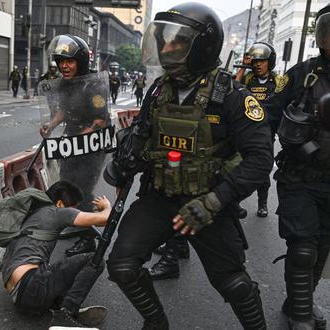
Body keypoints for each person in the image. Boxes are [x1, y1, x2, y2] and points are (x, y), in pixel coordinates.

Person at [105, 4, 272, 328]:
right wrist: (124, 161)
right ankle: (156, 322)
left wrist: (214, 201)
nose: (166, 49)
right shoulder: (158, 90)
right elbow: (142, 137)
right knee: (122, 265)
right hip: (160, 197)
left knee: (233, 284)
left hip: (208, 201)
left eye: (176, 43)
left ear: (202, 47)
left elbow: (260, 159)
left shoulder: (232, 96)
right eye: (164, 42)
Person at [268, 4, 330, 329]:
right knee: (303, 246)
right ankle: (301, 316)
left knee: (322, 248)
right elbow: (269, 114)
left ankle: (298, 300)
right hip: (300, 176)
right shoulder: (301, 74)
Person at [1, 181, 109, 329]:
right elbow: (106, 219)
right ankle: (65, 316)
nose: (75, 212)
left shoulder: (34, 214)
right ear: (59, 203)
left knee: (56, 267)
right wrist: (106, 206)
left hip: (20, 298)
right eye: (74, 209)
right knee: (94, 261)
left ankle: (62, 305)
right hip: (32, 287)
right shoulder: (57, 212)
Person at [39, 35, 109, 258]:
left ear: (80, 61)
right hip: (71, 143)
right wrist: (50, 126)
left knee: (84, 190)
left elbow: (101, 120)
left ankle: (88, 239)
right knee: (68, 185)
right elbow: (64, 111)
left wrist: (81, 138)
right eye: (61, 61)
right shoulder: (67, 85)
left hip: (90, 146)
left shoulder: (95, 85)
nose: (64, 66)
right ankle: (77, 222)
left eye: (69, 61)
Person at [235, 42, 282, 218]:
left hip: (265, 132)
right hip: (243, 131)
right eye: (255, 61)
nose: (258, 65)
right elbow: (229, 88)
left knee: (262, 168)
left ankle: (262, 203)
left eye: (262, 61)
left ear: (270, 62)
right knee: (237, 167)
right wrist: (242, 68)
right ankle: (235, 202)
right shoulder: (247, 79)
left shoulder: (277, 81)